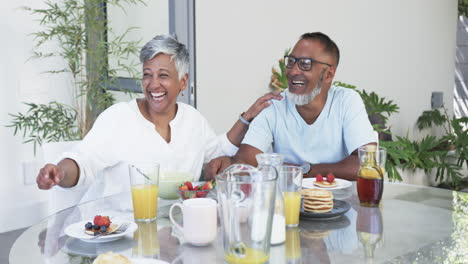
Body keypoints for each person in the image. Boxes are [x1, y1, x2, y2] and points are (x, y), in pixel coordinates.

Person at [36, 34, 282, 190]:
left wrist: (246, 117)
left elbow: (217, 154)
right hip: (117, 232)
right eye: (147, 75)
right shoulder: (118, 117)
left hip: (174, 231)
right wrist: (59, 172)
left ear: (182, 82)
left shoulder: (192, 119)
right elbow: (83, 159)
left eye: (163, 76)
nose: (153, 85)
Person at [206, 32, 376, 180]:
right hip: (289, 204)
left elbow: (367, 163)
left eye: (305, 64)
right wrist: (228, 163)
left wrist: (303, 170)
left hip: (341, 204)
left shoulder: (346, 101)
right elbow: (246, 161)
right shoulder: (274, 105)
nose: (293, 71)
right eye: (291, 61)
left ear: (328, 74)